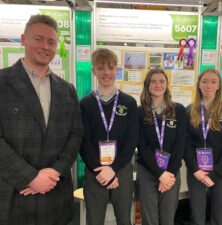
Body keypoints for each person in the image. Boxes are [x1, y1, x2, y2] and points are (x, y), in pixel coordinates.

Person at [0, 14, 84, 225]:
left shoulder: (67, 90)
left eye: (51, 41)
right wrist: (30, 177)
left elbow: (76, 134)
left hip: (55, 196)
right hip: (14, 194)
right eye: (38, 39)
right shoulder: (2, 82)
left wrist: (56, 171)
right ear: (23, 39)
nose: (45, 46)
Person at [79, 48, 138, 225]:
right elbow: (83, 141)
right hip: (95, 171)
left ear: (117, 70)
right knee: (94, 220)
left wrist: (113, 169)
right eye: (101, 68)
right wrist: (99, 168)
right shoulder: (86, 104)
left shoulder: (129, 102)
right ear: (94, 71)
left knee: (124, 219)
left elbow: (131, 139)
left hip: (122, 169)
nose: (106, 72)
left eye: (110, 68)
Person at [184, 69, 222, 225]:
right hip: (197, 172)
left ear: (219, 85)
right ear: (199, 85)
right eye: (205, 81)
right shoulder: (189, 111)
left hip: (221, 172)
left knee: (219, 216)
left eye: (213, 81)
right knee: (197, 215)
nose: (209, 85)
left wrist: (215, 174)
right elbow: (185, 144)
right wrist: (196, 171)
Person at [137, 68, 187, 225]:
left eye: (161, 81)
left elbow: (180, 144)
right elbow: (142, 146)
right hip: (147, 171)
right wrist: (160, 174)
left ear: (167, 84)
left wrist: (168, 174)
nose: (158, 85)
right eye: (153, 81)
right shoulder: (139, 112)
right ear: (147, 85)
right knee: (149, 219)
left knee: (167, 219)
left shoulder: (178, 110)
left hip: (171, 173)